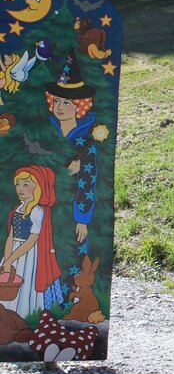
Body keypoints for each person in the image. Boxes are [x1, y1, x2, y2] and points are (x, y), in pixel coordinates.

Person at [46, 55, 97, 245]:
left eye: (67, 103)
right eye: (57, 101)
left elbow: (88, 180)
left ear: (80, 107)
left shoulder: (85, 141)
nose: (60, 107)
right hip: (44, 206)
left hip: (72, 207)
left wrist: (82, 219)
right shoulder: (47, 132)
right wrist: (65, 172)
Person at [1, 166, 64, 319]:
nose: (20, 188)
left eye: (26, 184)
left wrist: (11, 260)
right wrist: (6, 259)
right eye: (18, 184)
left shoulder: (37, 210)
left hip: (29, 254)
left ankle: (27, 316)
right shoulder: (17, 209)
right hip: (13, 251)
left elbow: (32, 239)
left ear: (38, 186)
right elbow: (11, 236)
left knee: (26, 282)